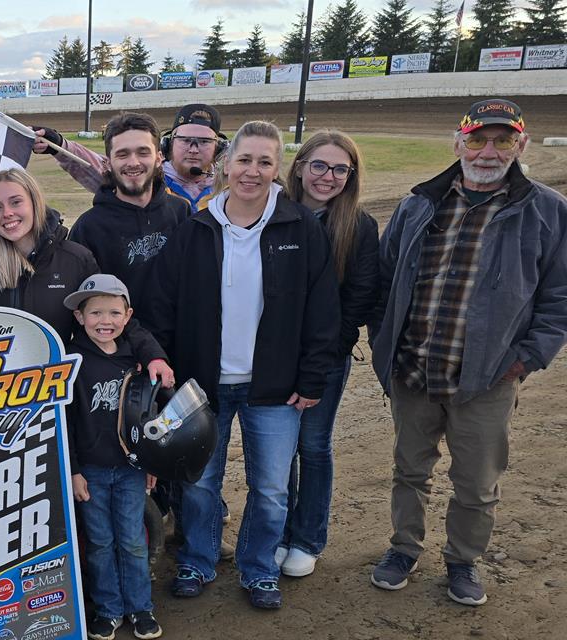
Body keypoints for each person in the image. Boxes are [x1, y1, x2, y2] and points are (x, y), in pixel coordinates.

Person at [368, 99, 567, 606]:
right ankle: (403, 549)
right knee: (409, 471)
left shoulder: (547, 211)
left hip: (488, 379)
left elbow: (559, 299)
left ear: (521, 145)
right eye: (477, 139)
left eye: (503, 140)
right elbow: (384, 280)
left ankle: (462, 561)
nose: (488, 151)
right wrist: (382, 340)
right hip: (413, 370)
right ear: (458, 143)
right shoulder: (418, 204)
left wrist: (525, 359)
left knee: (476, 485)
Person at [149, 121, 339, 609]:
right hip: (204, 386)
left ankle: (259, 570)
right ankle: (198, 559)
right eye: (244, 160)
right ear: (225, 164)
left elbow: (323, 312)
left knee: (272, 488)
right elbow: (164, 308)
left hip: (274, 388)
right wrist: (166, 374)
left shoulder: (301, 229)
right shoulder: (196, 227)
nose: (252, 171)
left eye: (264, 162)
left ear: (279, 170)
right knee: (200, 485)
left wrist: (312, 375)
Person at [275, 130, 380, 577]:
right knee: (278, 451)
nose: (328, 176)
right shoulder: (272, 213)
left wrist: (323, 360)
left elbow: (359, 300)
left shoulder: (358, 225)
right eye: (319, 165)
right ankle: (277, 532)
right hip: (274, 356)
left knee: (313, 446)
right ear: (299, 166)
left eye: (340, 169)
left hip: (325, 359)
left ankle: (307, 538)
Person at [0, 167, 173, 385]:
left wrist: (152, 355)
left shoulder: (75, 259)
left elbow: (110, 312)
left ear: (35, 203)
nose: (7, 213)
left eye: (16, 202)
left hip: (56, 387)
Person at [64, 274, 162, 640]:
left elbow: (147, 417)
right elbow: (68, 424)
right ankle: (109, 610)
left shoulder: (134, 359)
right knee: (101, 542)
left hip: (130, 469)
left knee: (134, 539)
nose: (105, 321)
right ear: (79, 316)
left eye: (114, 313)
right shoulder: (73, 362)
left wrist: (150, 462)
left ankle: (141, 608)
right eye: (95, 313)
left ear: (128, 314)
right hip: (91, 470)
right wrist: (73, 471)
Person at [65, 112, 191, 328]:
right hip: (120, 352)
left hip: (181, 344)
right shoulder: (88, 228)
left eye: (143, 152)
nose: (133, 163)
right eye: (122, 154)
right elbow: (84, 308)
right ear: (108, 163)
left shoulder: (180, 211)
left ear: (159, 158)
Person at [33, 103, 227, 213]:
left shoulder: (230, 189)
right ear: (168, 145)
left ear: (218, 148)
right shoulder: (147, 180)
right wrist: (58, 145)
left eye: (203, 141)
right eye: (185, 140)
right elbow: (94, 167)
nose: (193, 149)